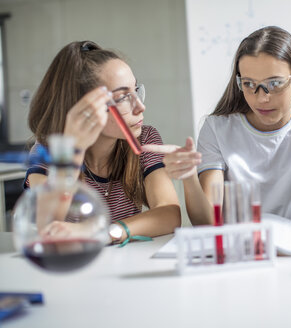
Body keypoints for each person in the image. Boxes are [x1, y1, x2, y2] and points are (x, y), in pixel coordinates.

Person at [143, 26, 291, 257]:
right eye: (249, 84)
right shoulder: (217, 128)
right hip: (239, 255)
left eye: (275, 83)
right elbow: (207, 220)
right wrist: (189, 178)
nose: (262, 97)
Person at [25, 41, 181, 245]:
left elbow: (169, 214)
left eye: (136, 90)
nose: (140, 106)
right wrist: (74, 149)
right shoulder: (48, 152)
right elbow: (48, 225)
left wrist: (106, 232)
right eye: (124, 96)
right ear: (84, 107)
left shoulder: (144, 140)